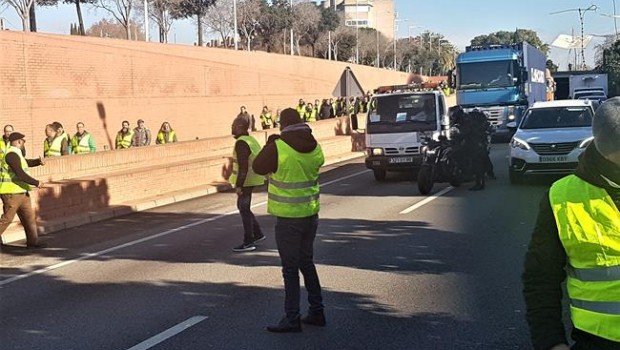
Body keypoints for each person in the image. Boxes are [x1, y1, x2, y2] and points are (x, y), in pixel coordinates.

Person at [522, 97, 620, 350]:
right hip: (598, 342)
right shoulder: (563, 197)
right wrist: (551, 342)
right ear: (608, 152)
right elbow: (541, 277)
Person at [253, 108, 326, 333]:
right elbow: (317, 163)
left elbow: (257, 167)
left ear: (282, 125)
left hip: (288, 219)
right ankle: (317, 311)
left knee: (290, 269)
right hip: (310, 215)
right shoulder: (315, 146)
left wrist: (271, 143)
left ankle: (292, 318)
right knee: (307, 263)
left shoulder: (278, 147)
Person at [0, 132, 46, 248]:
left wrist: (37, 162)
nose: (24, 143)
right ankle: (33, 241)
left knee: (29, 218)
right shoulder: (11, 154)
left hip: (22, 192)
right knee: (7, 219)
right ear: (19, 141)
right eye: (23, 141)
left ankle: (33, 242)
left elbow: (25, 163)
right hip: (11, 193)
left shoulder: (17, 153)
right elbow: (20, 174)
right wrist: (36, 182)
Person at [228, 117, 266, 252]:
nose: (231, 127)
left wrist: (239, 185)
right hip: (252, 178)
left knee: (243, 207)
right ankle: (258, 233)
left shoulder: (241, 143)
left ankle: (249, 241)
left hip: (246, 180)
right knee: (242, 207)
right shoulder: (250, 140)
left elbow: (243, 166)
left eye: (233, 125)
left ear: (239, 126)